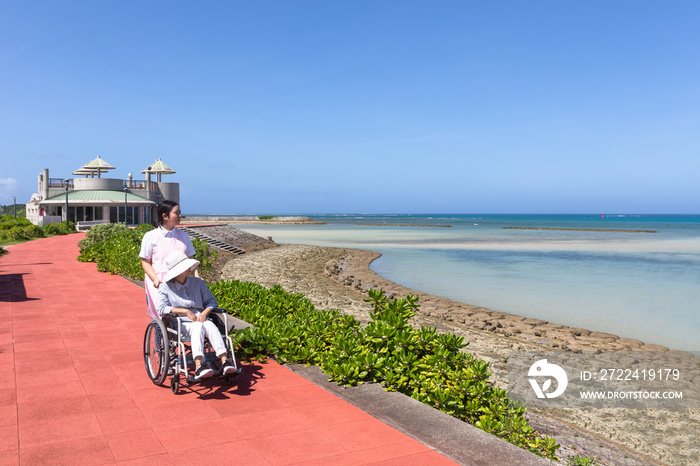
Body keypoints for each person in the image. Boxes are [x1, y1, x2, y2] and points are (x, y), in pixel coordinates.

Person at [156, 250, 236, 380]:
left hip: (201, 318)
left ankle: (225, 361)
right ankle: (199, 366)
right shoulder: (165, 287)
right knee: (198, 327)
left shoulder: (198, 283)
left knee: (209, 325)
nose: (190, 268)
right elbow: (161, 308)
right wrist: (185, 311)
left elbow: (211, 301)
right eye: (185, 267)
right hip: (179, 323)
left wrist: (205, 313)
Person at [140, 200, 198, 319]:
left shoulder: (183, 236)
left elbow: (191, 259)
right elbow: (145, 262)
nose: (180, 216)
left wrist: (197, 278)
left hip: (180, 283)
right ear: (165, 216)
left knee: (179, 321)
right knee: (161, 318)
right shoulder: (151, 236)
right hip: (159, 284)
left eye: (180, 213)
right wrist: (156, 279)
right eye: (176, 213)